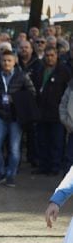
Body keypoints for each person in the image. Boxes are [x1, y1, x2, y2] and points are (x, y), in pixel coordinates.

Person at [0, 50, 36, 188]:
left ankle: (11, 175)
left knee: (14, 148)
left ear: (15, 61)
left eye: (9, 60)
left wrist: (16, 100)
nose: (6, 63)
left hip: (16, 117)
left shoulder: (22, 76)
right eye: (4, 60)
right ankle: (0, 171)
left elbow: (32, 93)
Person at [31, 45, 70, 176]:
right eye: (47, 56)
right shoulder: (39, 69)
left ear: (57, 56)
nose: (49, 58)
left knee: (56, 142)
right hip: (41, 112)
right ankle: (43, 166)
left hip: (57, 113)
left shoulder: (64, 71)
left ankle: (54, 167)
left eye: (52, 55)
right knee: (42, 141)